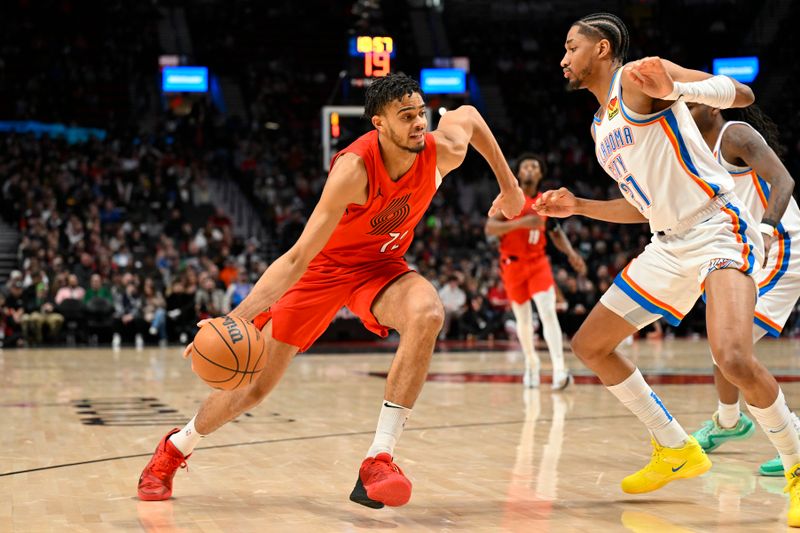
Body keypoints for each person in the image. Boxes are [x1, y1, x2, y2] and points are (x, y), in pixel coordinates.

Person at [137, 73, 524, 507]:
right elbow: (298, 257)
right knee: (254, 388)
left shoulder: (438, 153)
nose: (419, 123)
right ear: (379, 124)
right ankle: (175, 447)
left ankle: (379, 457)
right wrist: (236, 317)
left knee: (428, 313)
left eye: (421, 113)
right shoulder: (353, 170)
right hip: (323, 270)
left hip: (381, 268)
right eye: (406, 116)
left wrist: (510, 188)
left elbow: (469, 117)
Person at [537, 12, 800, 525]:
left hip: (717, 226)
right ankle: (674, 447)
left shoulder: (640, 76)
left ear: (603, 48)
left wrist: (677, 85)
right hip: (669, 241)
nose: (563, 58)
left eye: (572, 46)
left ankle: (797, 467)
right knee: (590, 345)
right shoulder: (599, 126)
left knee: (733, 358)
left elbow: (742, 95)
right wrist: (580, 207)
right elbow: (644, 207)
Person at [686, 104, 800, 476]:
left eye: (690, 102)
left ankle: (791, 436)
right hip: (744, 251)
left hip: (781, 246)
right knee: (724, 346)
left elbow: (784, 181)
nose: (683, 109)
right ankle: (728, 420)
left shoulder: (733, 134)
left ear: (713, 104)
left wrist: (766, 231)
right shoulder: (693, 150)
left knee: (734, 349)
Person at [485, 153, 587, 389]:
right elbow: (490, 228)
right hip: (512, 265)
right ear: (519, 173)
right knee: (523, 320)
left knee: (548, 312)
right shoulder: (510, 198)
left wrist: (571, 254)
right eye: (525, 167)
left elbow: (556, 231)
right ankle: (531, 364)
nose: (529, 169)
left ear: (540, 173)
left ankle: (560, 370)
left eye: (534, 166)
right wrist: (521, 223)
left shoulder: (545, 201)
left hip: (538, 262)